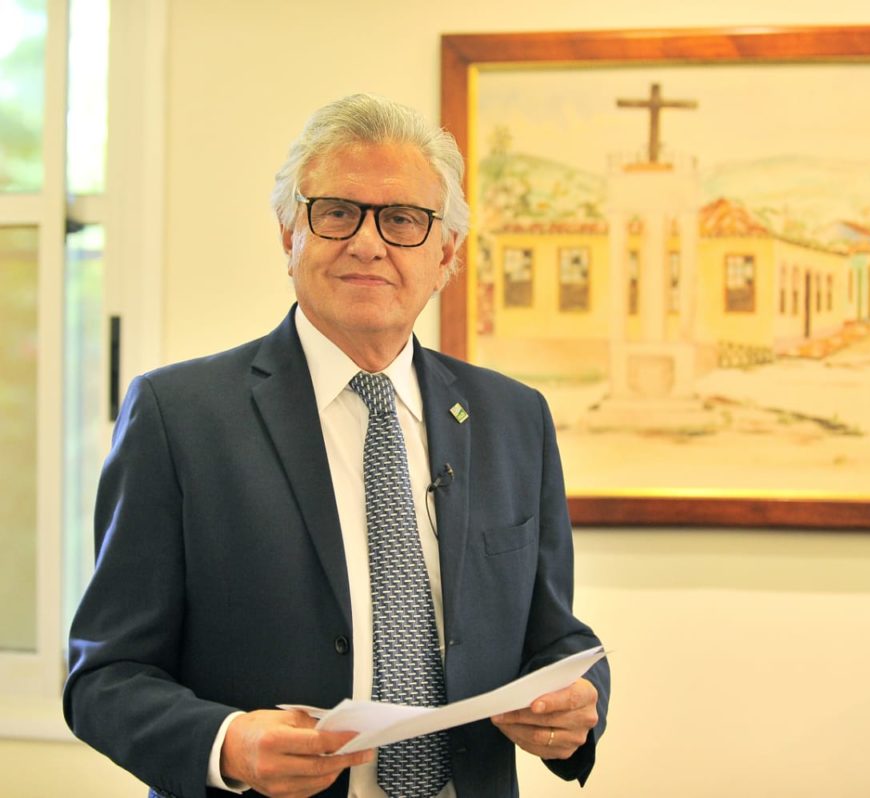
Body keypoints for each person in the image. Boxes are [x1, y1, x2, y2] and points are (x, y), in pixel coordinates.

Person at [64, 93, 610, 798]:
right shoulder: (179, 417)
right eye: (337, 212)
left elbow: (555, 635)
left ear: (446, 252)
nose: (368, 243)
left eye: (402, 219)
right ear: (289, 233)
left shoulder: (514, 417)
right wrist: (229, 745)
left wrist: (580, 702)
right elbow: (104, 677)